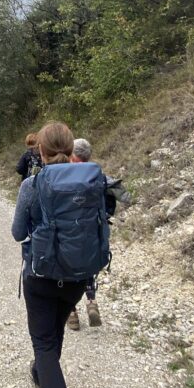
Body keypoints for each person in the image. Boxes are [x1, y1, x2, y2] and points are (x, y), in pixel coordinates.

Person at [12, 122, 110, 388]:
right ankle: (40, 372)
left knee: (43, 342)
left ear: (39, 150)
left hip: (40, 276)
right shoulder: (91, 181)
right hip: (77, 277)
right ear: (71, 150)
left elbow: (16, 233)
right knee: (52, 337)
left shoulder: (31, 185)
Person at [66, 138, 109, 331]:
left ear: (73, 156)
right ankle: (91, 302)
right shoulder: (97, 176)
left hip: (70, 230)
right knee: (88, 267)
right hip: (91, 231)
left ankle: (72, 312)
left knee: (68, 270)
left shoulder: (66, 176)